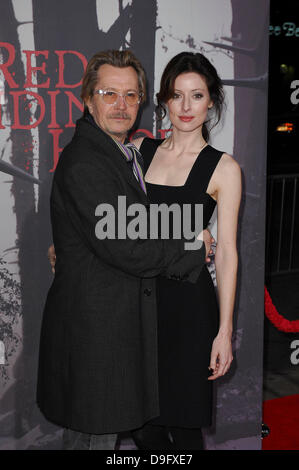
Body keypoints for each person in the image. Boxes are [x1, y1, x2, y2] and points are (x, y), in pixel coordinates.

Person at [37, 49, 214, 451]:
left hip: (118, 330)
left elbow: (130, 224)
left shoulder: (122, 153)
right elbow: (128, 245)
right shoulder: (87, 162)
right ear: (87, 98)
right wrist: (193, 243)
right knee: (92, 439)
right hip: (97, 337)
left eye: (131, 95)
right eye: (109, 94)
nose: (121, 106)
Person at [130, 52, 241, 450]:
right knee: (142, 426)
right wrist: (191, 238)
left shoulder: (223, 168)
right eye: (177, 96)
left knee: (186, 427)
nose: (186, 107)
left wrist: (223, 332)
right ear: (164, 100)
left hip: (190, 309)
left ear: (211, 99)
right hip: (137, 305)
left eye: (197, 96)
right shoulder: (139, 152)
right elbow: (119, 226)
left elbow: (227, 251)